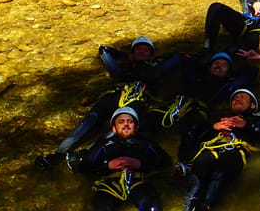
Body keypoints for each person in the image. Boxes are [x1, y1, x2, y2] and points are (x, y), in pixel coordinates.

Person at [36, 35, 182, 168]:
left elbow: (177, 58)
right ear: (133, 53)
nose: (142, 52)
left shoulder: (154, 70)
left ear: (152, 55)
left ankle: (84, 156)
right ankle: (57, 155)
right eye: (139, 49)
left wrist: (154, 60)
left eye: (146, 51)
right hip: (111, 96)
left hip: (134, 100)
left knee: (115, 132)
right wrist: (126, 56)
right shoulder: (121, 70)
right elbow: (104, 51)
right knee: (88, 122)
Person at [65, 106, 172, 211]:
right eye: (121, 122)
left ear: (136, 127)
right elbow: (84, 167)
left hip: (137, 182)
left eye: (130, 122)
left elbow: (166, 163)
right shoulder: (104, 145)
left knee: (152, 205)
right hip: (109, 184)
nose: (126, 125)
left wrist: (141, 165)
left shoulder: (146, 144)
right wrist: (107, 165)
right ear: (114, 128)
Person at [173, 88, 260, 211]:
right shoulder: (219, 119)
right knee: (201, 169)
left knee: (220, 173)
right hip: (211, 149)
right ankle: (188, 210)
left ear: (252, 106)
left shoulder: (256, 121)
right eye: (235, 97)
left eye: (243, 97)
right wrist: (213, 127)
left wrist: (247, 125)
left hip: (235, 152)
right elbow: (193, 135)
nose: (238, 98)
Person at [157, 51, 258, 162]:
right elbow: (183, 59)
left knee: (191, 132)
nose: (219, 66)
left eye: (224, 65)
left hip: (196, 112)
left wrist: (249, 60)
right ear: (209, 67)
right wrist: (203, 64)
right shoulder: (196, 76)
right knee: (147, 121)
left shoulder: (227, 85)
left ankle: (183, 164)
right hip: (176, 106)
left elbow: (252, 71)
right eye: (216, 63)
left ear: (228, 72)